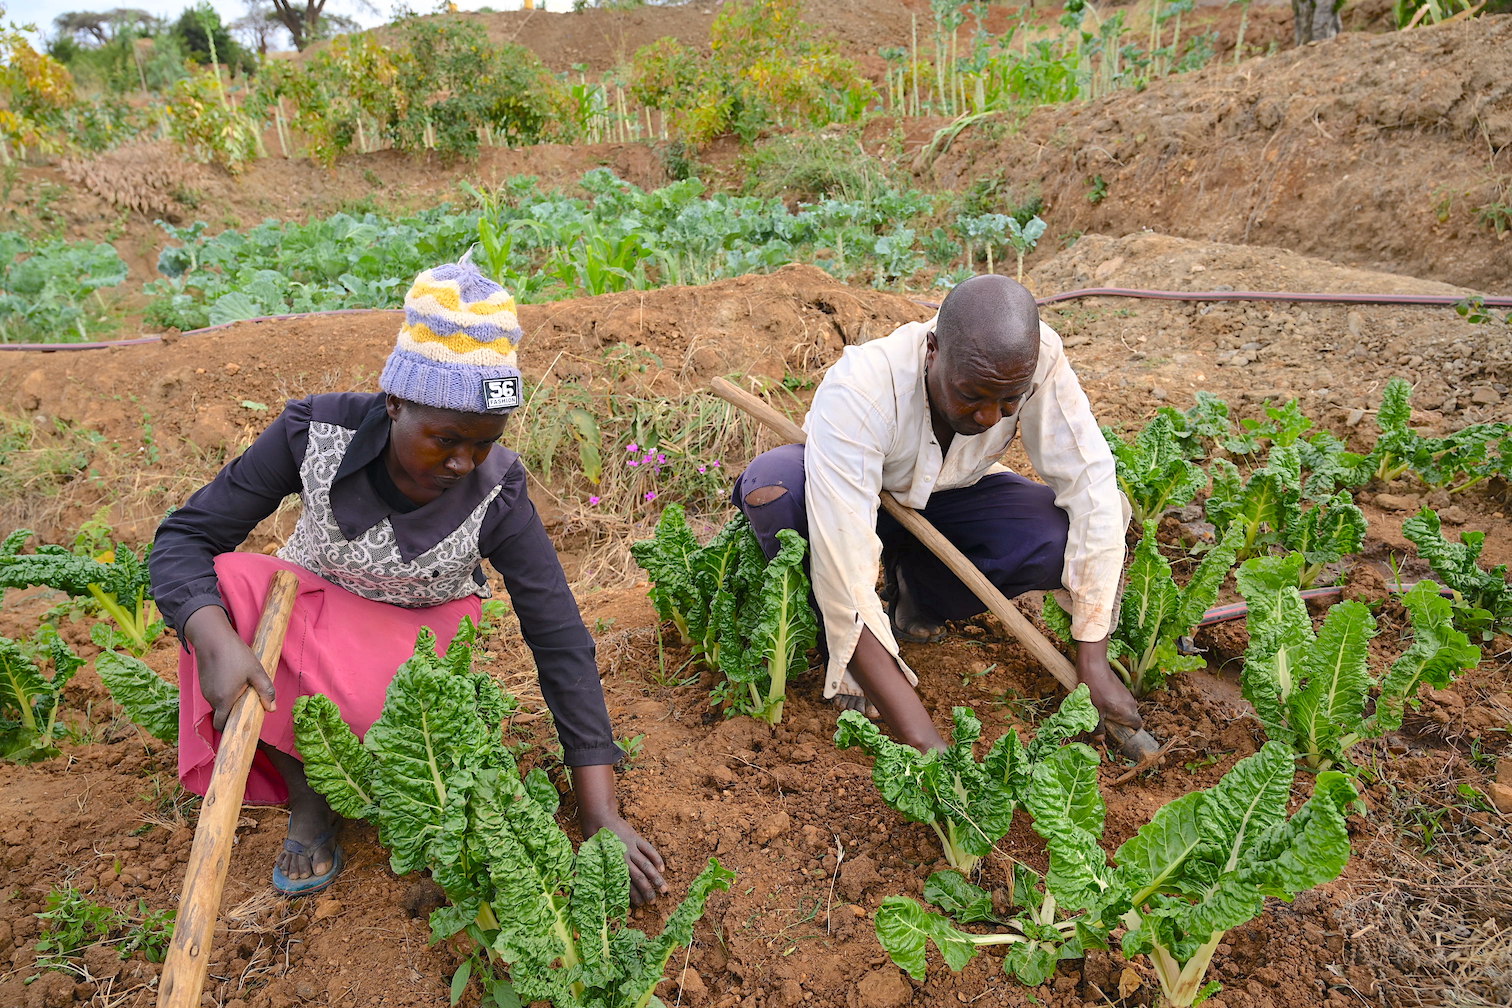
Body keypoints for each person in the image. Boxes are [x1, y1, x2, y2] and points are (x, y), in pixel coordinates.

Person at [149, 258, 666, 901]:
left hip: (415, 643)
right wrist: (215, 640)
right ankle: (308, 798)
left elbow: (559, 638)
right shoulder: (314, 432)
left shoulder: (496, 491)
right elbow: (184, 539)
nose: (462, 462)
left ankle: (345, 767)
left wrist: (599, 811)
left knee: (396, 732)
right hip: (310, 608)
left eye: (483, 443)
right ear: (394, 403)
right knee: (224, 586)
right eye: (445, 439)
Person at [732, 274, 1141, 752]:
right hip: (837, 499)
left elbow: (1092, 485)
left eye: (1008, 401)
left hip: (945, 498)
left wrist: (1092, 658)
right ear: (932, 351)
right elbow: (843, 565)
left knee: (1054, 534)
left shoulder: (1037, 359)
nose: (990, 418)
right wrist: (929, 746)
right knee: (776, 488)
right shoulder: (863, 388)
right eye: (972, 396)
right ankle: (844, 657)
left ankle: (918, 594)